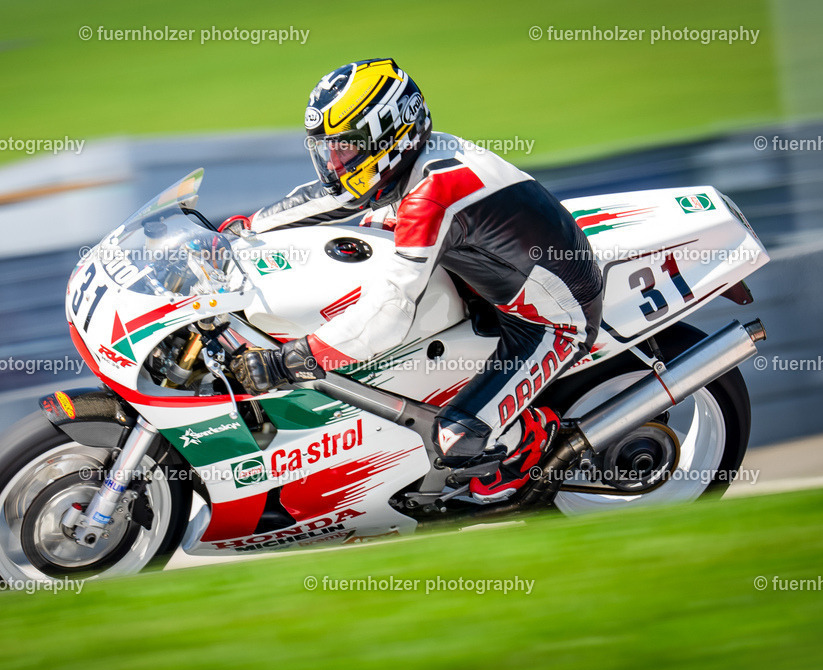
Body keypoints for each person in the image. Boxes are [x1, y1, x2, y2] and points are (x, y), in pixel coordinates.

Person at [228, 58, 602, 503]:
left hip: (549, 318)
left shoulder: (431, 191)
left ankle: (530, 443)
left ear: (389, 133)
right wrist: (239, 231)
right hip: (486, 279)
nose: (333, 161)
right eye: (327, 148)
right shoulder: (405, 162)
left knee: (455, 438)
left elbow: (390, 312)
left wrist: (295, 359)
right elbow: (325, 201)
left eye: (344, 147)